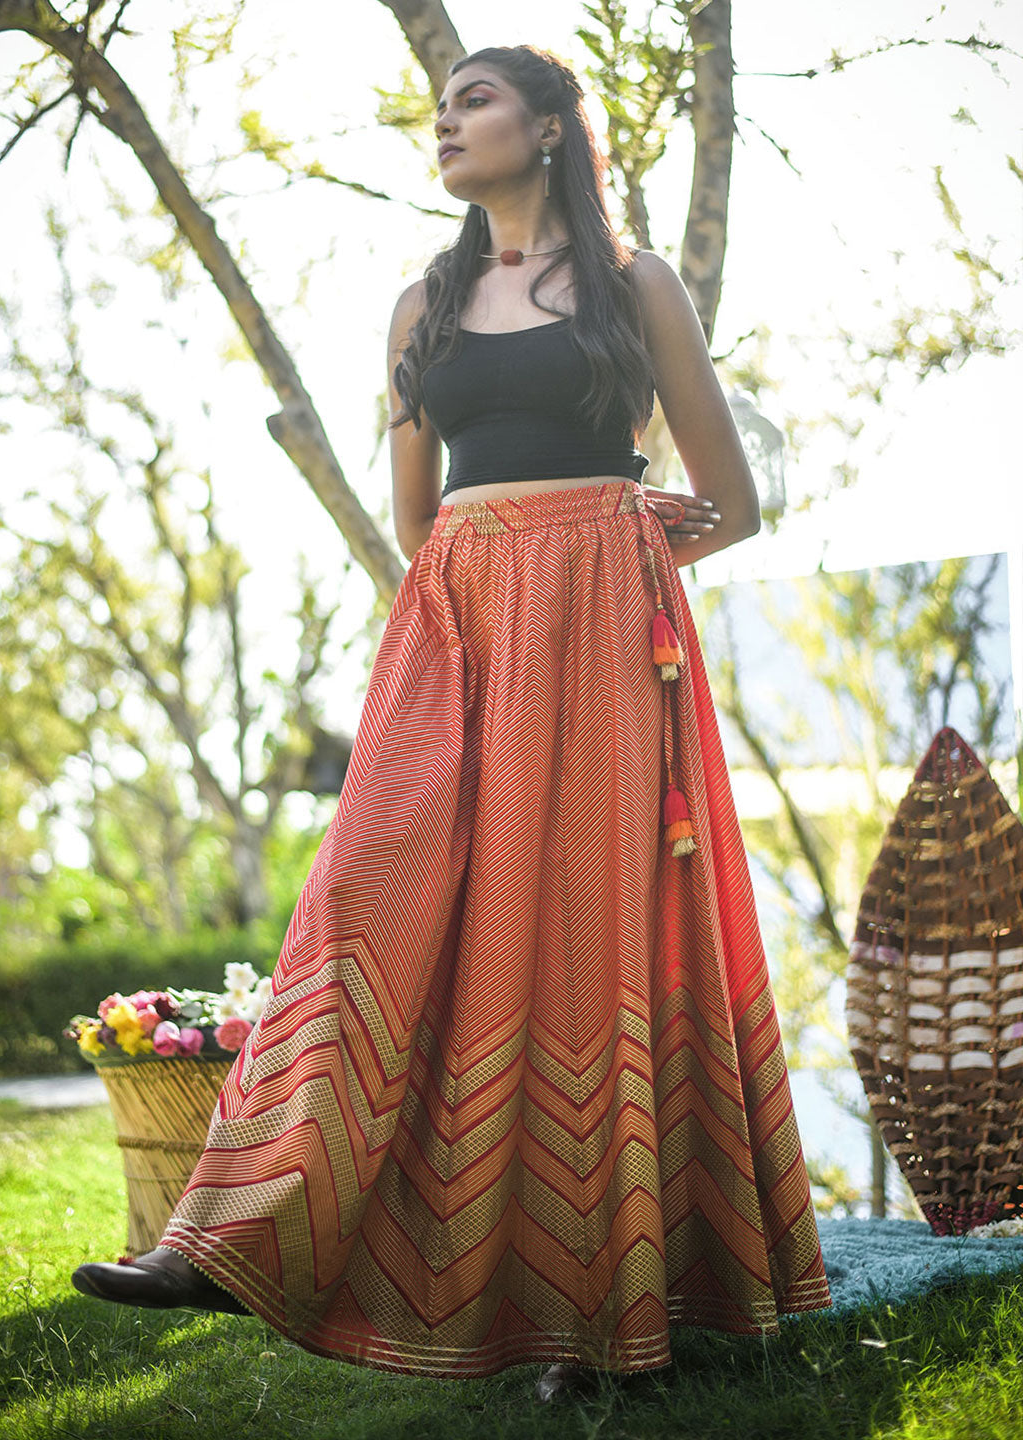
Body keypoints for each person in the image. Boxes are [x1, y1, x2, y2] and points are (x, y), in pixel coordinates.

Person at [72, 42, 833, 1402]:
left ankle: (586, 1323)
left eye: (474, 99)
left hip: (601, 640)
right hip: (459, 628)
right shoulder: (421, 302)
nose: (446, 121)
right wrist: (505, 576)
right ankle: (224, 1236)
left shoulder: (633, 286)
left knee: (570, 931)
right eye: (443, 105)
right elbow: (417, 516)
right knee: (363, 895)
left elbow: (732, 499)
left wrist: (609, 547)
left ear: (549, 128)